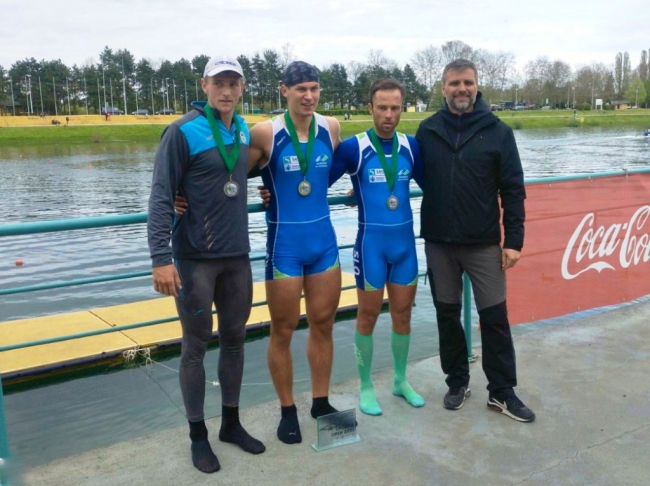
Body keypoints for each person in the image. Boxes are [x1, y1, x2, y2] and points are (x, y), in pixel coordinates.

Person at [147, 54, 265, 474]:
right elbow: (161, 196)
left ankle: (231, 424)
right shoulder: (181, 131)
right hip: (195, 259)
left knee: (235, 340)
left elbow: (231, 173)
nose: (226, 91)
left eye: (233, 83)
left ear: (242, 88)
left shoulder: (243, 128)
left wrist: (266, 189)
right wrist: (161, 258)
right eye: (219, 83)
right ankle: (198, 435)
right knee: (195, 346)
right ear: (204, 85)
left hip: (236, 257)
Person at [415, 59, 535, 422]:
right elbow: (409, 174)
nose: (461, 89)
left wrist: (514, 241)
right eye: (454, 83)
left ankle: (501, 392)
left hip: (483, 244)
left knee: (494, 317)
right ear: (443, 88)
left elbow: (513, 189)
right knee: (447, 316)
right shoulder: (427, 130)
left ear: (476, 86)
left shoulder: (498, 131)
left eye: (467, 82)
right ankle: (457, 382)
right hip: (439, 243)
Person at [248, 61, 343, 444]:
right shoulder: (264, 132)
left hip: (324, 245)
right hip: (284, 247)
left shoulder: (331, 128)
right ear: (283, 90)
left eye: (314, 88)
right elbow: (232, 174)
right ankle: (287, 411)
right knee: (283, 330)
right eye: (300, 89)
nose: (308, 96)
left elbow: (329, 173)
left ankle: (321, 403)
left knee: (323, 324)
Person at [329, 78, 425, 416]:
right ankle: (366, 386)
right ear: (370, 108)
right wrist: (269, 191)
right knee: (367, 315)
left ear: (402, 109)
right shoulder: (353, 148)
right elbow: (315, 181)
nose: (388, 115)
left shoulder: (411, 147)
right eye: (382, 108)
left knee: (403, 314)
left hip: (405, 247)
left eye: (395, 108)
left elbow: (436, 185)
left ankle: (400, 380)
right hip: (371, 246)